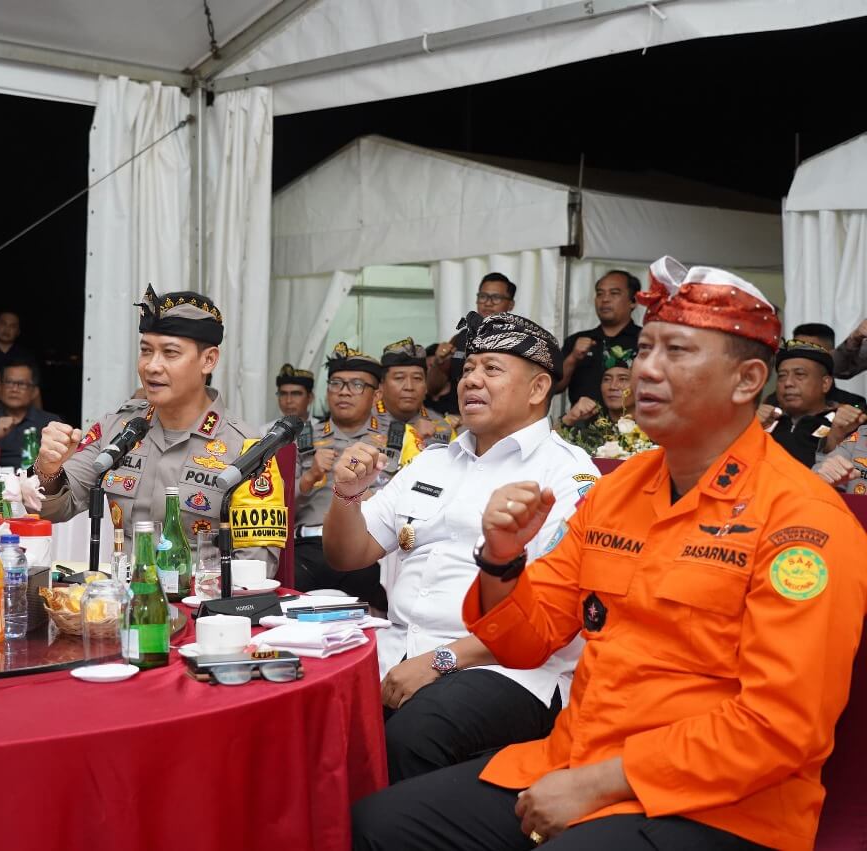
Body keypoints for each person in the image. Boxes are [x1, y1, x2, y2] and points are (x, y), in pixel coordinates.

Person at [352, 255, 867, 851]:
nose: (645, 369)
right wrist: (501, 559)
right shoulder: (619, 489)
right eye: (644, 349)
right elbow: (529, 637)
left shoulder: (802, 519)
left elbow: (782, 726)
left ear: (748, 381)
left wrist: (603, 783)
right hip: (578, 756)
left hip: (721, 805)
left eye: (675, 352)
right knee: (381, 826)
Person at [324, 312, 596, 785]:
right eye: (469, 368)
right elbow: (348, 555)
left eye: (492, 369)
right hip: (397, 647)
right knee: (306, 709)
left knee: (411, 737)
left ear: (537, 389)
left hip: (507, 669)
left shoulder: (568, 476)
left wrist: (441, 660)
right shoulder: (432, 462)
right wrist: (347, 494)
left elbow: (559, 615)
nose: (471, 379)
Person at [33, 286, 287, 571]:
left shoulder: (246, 447)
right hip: (124, 603)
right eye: (146, 351)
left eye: (170, 353)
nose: (152, 366)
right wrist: (48, 467)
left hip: (198, 608)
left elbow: (256, 570)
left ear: (209, 360)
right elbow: (49, 509)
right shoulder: (117, 427)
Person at [293, 343, 421, 604]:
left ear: (377, 395)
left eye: (357, 385)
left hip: (370, 548)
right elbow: (275, 505)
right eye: (336, 383)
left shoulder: (403, 436)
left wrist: (375, 496)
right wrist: (308, 479)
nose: (344, 393)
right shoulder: (301, 438)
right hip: (307, 548)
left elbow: (419, 505)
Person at [761, 340, 865, 468]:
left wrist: (835, 439)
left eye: (799, 375)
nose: (788, 383)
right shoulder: (766, 421)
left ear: (825, 384)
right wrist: (749, 427)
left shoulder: (847, 424)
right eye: (782, 376)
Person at [555, 270, 643, 404]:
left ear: (633, 301)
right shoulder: (576, 341)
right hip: (582, 423)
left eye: (614, 293)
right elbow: (554, 387)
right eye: (600, 293)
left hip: (632, 424)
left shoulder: (646, 341)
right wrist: (573, 358)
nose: (605, 299)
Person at [437, 273, 517, 400]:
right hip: (454, 415)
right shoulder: (460, 338)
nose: (488, 303)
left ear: (511, 305)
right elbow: (433, 389)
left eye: (496, 298)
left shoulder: (516, 341)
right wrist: (439, 363)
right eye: (483, 296)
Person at [0, 361, 62, 469]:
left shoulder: (51, 423)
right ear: (0, 387)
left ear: (34, 391)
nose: (14, 389)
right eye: (9, 382)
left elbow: (63, 466)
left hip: (40, 483)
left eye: (21, 384)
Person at [762, 323, 866, 410]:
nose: (788, 383)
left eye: (814, 352)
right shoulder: (772, 405)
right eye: (798, 348)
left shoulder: (851, 405)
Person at [378, 337, 457, 445]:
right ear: (381, 385)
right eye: (399, 378)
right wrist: (411, 435)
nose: (409, 387)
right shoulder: (360, 421)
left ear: (425, 386)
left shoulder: (443, 427)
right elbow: (352, 461)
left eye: (417, 378)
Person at [559, 345, 635, 429]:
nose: (613, 386)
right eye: (607, 379)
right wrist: (570, 418)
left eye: (623, 379)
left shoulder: (650, 429)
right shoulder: (588, 429)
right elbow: (546, 441)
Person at [266, 363, 316, 432]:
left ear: (310, 397)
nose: (288, 401)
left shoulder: (322, 430)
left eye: (295, 394)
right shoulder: (266, 432)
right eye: (283, 394)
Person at [423, 342, 459, 417]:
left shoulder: (460, 397)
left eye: (433, 366)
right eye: (425, 367)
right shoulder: (420, 399)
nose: (429, 371)